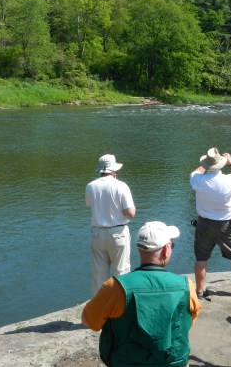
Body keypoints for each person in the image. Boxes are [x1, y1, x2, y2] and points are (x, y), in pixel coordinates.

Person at [81, 221, 201, 367]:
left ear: (139, 249)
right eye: (172, 245)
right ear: (165, 250)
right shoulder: (186, 286)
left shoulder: (115, 287)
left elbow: (89, 321)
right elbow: (189, 321)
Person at [190, 147, 231, 299]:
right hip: (226, 226)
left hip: (204, 224)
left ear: (206, 165)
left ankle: (199, 291)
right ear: (221, 164)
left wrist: (204, 164)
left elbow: (194, 173)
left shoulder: (198, 180)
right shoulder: (229, 180)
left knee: (201, 258)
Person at [85, 154, 136, 295]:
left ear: (100, 170)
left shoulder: (90, 186)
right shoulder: (121, 186)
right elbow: (130, 213)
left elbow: (90, 204)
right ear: (114, 171)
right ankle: (121, 306)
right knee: (121, 272)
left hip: (97, 233)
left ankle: (98, 309)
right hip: (117, 234)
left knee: (98, 274)